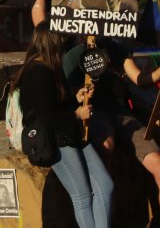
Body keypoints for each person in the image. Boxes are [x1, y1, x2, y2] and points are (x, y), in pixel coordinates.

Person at [64, 38, 160, 228]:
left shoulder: (115, 49)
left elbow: (139, 79)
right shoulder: (73, 56)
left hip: (123, 116)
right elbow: (68, 95)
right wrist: (82, 94)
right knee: (106, 146)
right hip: (94, 114)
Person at [12, 22, 113, 228]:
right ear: (53, 43)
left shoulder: (48, 68)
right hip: (57, 140)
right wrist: (76, 114)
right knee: (82, 196)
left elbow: (56, 104)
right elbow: (42, 118)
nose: (65, 46)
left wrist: (76, 98)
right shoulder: (37, 73)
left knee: (105, 184)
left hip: (71, 134)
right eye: (62, 41)